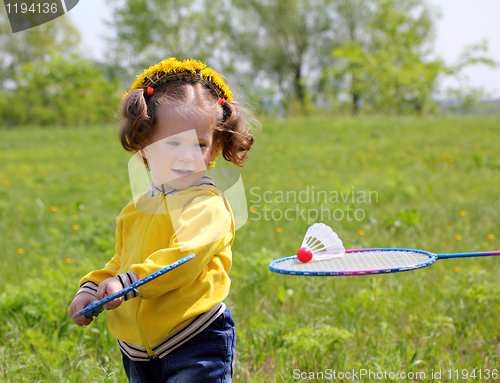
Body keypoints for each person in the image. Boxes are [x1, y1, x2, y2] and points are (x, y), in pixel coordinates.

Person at [68, 58, 255, 382]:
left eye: (199, 144)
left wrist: (128, 284)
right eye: (173, 143)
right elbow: (122, 260)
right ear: (144, 145)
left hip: (195, 340)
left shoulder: (206, 206)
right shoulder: (136, 209)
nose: (186, 155)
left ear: (213, 150)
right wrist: (94, 287)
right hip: (138, 352)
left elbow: (183, 259)